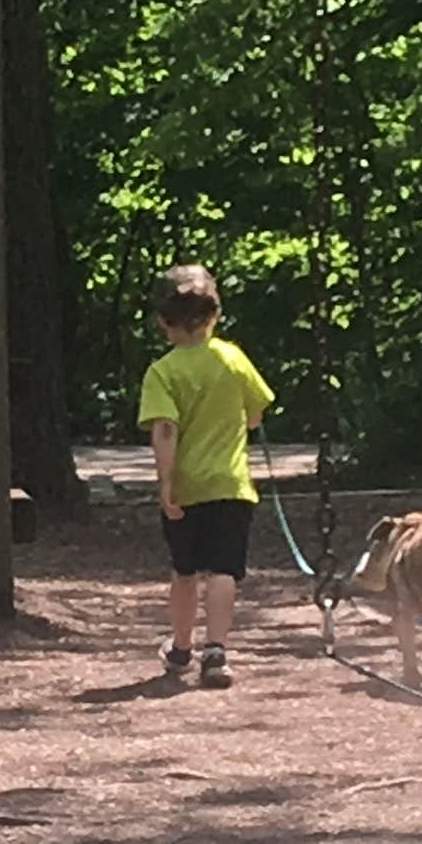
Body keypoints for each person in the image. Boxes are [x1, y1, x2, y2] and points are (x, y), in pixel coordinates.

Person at [137, 264, 274, 688]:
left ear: (162, 321)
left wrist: (165, 484)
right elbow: (255, 413)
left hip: (187, 487)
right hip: (232, 486)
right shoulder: (232, 358)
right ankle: (217, 651)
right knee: (224, 571)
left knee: (184, 572)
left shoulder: (163, 371)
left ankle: (181, 647)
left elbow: (165, 429)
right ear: (215, 315)